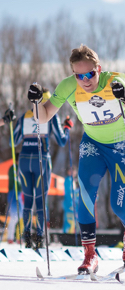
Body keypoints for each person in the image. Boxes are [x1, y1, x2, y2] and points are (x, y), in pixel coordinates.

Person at [27, 44, 125, 274]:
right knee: (85, 199)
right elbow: (43, 117)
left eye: (90, 74)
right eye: (79, 75)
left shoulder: (113, 81)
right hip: (93, 144)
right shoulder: (68, 86)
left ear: (98, 68)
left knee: (119, 205)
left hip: (122, 145)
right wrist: (35, 103)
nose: (85, 80)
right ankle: (90, 256)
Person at [13, 87, 73, 249]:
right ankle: (39, 237)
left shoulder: (24, 116)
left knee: (27, 200)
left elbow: (14, 141)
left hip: (24, 160)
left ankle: (26, 236)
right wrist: (67, 128)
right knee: (40, 201)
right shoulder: (51, 117)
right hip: (42, 160)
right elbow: (61, 141)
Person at [6, 152, 24, 244]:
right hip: (13, 192)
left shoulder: (20, 168)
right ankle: (10, 237)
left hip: (20, 193)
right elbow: (13, 180)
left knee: (21, 216)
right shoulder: (13, 168)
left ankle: (19, 237)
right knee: (14, 216)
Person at [63, 167, 77, 233]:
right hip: (69, 203)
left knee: (73, 219)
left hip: (72, 203)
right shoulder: (68, 180)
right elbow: (69, 192)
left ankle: (71, 232)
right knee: (69, 219)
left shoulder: (72, 180)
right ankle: (67, 233)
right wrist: (71, 202)